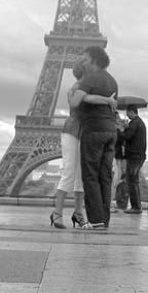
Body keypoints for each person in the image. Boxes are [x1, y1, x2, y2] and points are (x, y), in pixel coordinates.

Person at [70, 46, 119, 230]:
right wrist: (103, 99)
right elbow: (112, 106)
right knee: (105, 177)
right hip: (110, 131)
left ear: (95, 60)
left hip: (93, 130)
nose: (83, 62)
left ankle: (95, 220)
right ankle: (103, 220)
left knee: (90, 176)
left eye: (85, 59)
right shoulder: (112, 81)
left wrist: (81, 94)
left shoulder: (89, 78)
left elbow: (75, 102)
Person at [50, 64, 88, 229]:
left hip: (82, 130)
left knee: (79, 173)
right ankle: (57, 212)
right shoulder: (79, 87)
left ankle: (78, 212)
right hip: (73, 130)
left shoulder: (83, 87)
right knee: (70, 170)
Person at [122, 104, 147, 214]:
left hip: (134, 156)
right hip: (138, 155)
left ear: (132, 111)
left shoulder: (135, 123)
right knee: (133, 180)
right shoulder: (139, 123)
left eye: (127, 112)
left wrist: (121, 130)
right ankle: (136, 206)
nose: (126, 115)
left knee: (132, 180)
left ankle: (136, 207)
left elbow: (127, 136)